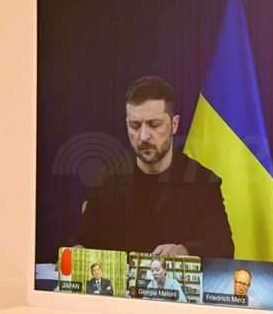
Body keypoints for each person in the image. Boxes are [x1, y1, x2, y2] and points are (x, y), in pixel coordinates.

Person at [71, 76, 234, 258]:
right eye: (135, 126)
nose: (143, 136)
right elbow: (82, 242)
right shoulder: (106, 180)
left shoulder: (203, 183)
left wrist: (185, 250)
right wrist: (78, 251)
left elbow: (224, 250)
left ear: (174, 125)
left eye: (154, 125)